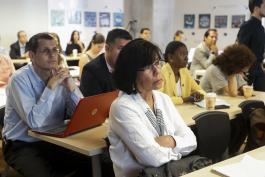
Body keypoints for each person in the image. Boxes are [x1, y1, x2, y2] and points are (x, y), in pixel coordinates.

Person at [2, 33, 91, 177]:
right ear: (31, 55)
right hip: (23, 144)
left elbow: (84, 115)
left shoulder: (61, 75)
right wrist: (50, 87)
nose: (53, 55)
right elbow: (35, 123)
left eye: (55, 49)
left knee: (94, 163)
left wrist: (71, 87)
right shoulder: (19, 80)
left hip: (55, 140)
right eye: (45, 51)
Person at [109, 39, 197, 177]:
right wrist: (178, 148)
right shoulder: (122, 107)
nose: (157, 71)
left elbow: (192, 140)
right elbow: (151, 158)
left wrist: (170, 140)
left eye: (157, 63)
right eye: (148, 66)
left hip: (170, 172)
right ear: (131, 72)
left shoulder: (163, 99)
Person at [80, 28, 132, 96]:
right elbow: (93, 104)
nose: (125, 53)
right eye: (121, 49)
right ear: (107, 48)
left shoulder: (129, 66)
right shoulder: (91, 70)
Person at [237, 0, 265, 91]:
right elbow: (240, 50)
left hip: (258, 72)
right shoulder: (247, 26)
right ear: (256, 8)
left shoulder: (261, 28)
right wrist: (240, 70)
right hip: (248, 73)